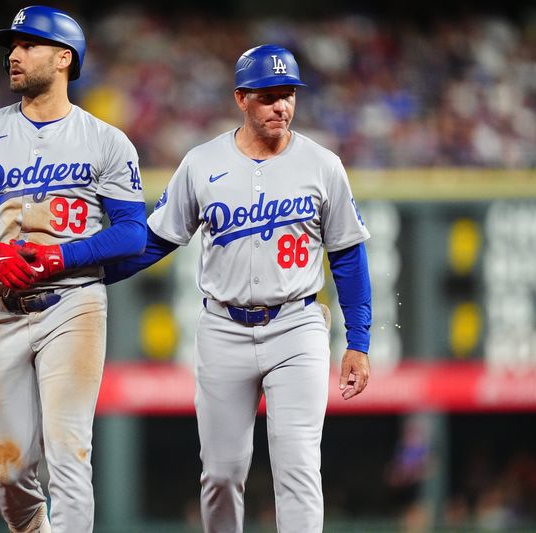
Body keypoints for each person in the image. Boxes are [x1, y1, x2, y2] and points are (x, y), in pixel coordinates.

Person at [105, 44, 372, 532]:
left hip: (297, 324)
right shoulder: (202, 162)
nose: (281, 107)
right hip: (223, 327)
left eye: (288, 94)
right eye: (269, 96)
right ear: (241, 99)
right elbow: (155, 240)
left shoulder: (322, 164)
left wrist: (359, 342)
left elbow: (348, 255)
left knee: (298, 470)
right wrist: (92, 272)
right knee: (222, 474)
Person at [0, 6, 147, 533]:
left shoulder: (106, 140)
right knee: (10, 471)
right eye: (13, 45)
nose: (14, 54)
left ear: (64, 58)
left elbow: (132, 232)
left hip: (73, 303)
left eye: (28, 44)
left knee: (69, 455)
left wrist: (62, 256)